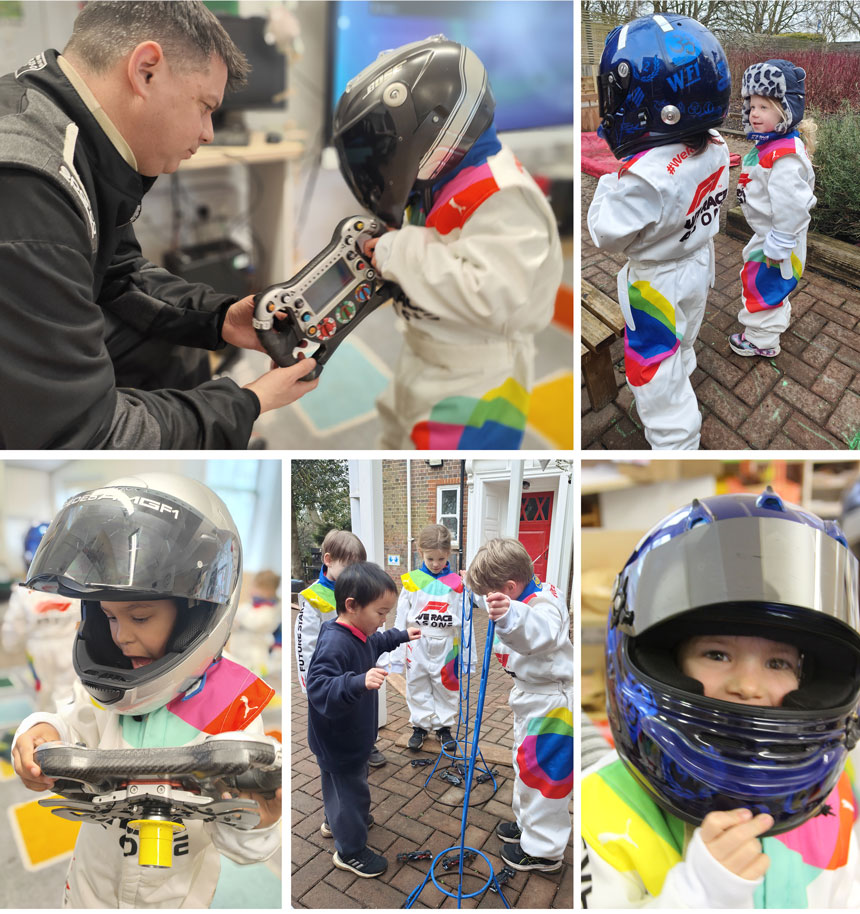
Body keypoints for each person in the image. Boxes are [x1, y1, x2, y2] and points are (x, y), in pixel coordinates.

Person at [0, 0, 317, 449]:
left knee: (169, 346)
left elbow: (119, 270)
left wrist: (220, 317)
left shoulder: (69, 130)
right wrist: (245, 403)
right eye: (205, 106)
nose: (208, 132)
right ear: (146, 70)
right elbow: (86, 436)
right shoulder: (30, 193)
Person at [10, 473, 282, 907]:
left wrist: (262, 818)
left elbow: (245, 849)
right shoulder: (105, 687)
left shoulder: (231, 706)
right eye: (109, 618)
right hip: (89, 892)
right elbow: (66, 721)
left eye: (139, 618)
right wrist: (39, 732)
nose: (120, 637)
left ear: (198, 612)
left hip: (175, 899)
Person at [582, 489, 860, 908]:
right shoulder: (601, 807)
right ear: (666, 660)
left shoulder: (841, 786)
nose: (748, 686)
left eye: (778, 664)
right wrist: (697, 895)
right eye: (717, 654)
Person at [332, 35, 563, 450]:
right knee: (397, 440)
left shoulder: (503, 195)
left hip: (480, 379)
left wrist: (396, 252)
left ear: (434, 129)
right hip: (426, 351)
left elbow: (489, 292)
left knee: (444, 458)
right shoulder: (437, 181)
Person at [587, 14, 732, 450]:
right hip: (698, 263)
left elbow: (604, 233)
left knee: (651, 367)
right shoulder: (719, 146)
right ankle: (683, 368)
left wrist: (613, 180)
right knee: (685, 332)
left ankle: (676, 441)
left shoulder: (644, 177)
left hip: (655, 284)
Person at [306, 562, 421, 878]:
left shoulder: (358, 632)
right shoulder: (335, 642)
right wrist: (357, 681)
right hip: (339, 740)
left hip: (348, 738)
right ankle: (350, 851)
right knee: (351, 792)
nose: (384, 620)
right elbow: (319, 686)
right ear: (352, 606)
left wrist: (400, 635)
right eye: (381, 613)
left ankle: (336, 821)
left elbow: (376, 643)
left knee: (342, 789)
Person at [466, 538, 573, 873]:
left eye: (491, 596)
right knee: (527, 769)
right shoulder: (524, 590)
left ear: (510, 588)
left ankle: (544, 850)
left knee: (544, 777)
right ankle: (530, 826)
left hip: (551, 703)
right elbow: (493, 601)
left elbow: (537, 630)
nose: (487, 602)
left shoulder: (542, 607)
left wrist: (512, 615)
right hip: (533, 697)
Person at [729, 59, 817, 358]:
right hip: (772, 233)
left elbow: (792, 204)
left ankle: (761, 341)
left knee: (761, 288)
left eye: (764, 107)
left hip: (778, 238)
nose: (754, 114)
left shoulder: (783, 156)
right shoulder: (773, 143)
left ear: (785, 109)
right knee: (771, 285)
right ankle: (773, 321)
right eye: (752, 106)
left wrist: (780, 240)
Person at [295, 530, 386, 769]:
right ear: (328, 560)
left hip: (357, 664)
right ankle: (335, 751)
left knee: (361, 707)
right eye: (348, 567)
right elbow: (305, 644)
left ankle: (367, 743)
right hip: (329, 671)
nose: (355, 574)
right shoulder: (313, 598)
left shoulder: (357, 589)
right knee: (338, 713)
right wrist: (309, 684)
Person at [388, 524, 474, 753]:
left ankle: (444, 727)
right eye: (430, 559)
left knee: (447, 686)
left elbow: (466, 621)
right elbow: (400, 618)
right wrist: (395, 653)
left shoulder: (458, 584)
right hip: (417, 643)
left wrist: (468, 657)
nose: (436, 564)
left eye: (441, 558)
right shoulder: (411, 581)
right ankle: (420, 725)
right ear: (420, 553)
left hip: (447, 644)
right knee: (417, 684)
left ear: (449, 555)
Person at [1, 523, 79, 711]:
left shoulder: (24, 592)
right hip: (73, 647)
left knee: (45, 698)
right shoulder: (76, 585)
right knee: (74, 696)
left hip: (40, 651)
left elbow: (12, 636)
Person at [228, 569, 281, 677]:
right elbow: (234, 620)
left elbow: (256, 623)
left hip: (254, 656)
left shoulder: (269, 611)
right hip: (238, 652)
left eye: (256, 587)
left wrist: (238, 620)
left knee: (250, 679)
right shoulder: (249, 606)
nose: (252, 590)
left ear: (267, 591)